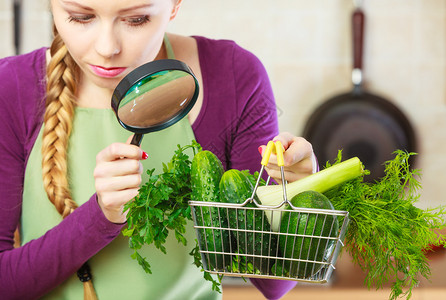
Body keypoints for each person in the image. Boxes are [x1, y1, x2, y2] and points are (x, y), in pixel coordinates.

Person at [0, 0, 317, 299]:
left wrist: (296, 189)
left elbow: (274, 281)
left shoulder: (234, 75)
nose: (107, 48)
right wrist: (102, 216)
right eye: (81, 17)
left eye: (136, 19)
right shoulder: (11, 87)